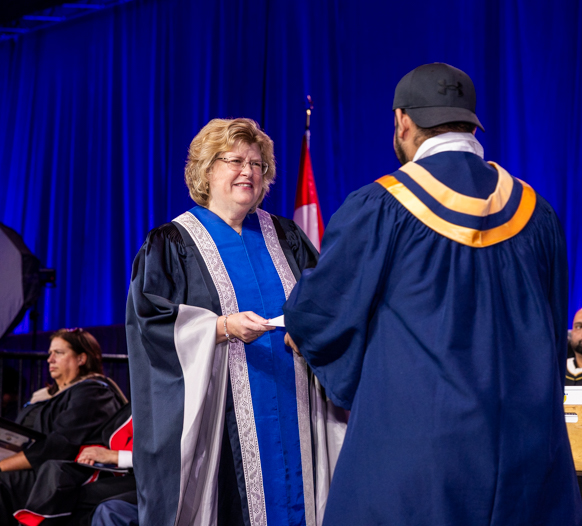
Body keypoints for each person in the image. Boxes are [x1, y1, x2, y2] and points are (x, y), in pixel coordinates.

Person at [283, 63, 582, 525]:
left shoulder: (381, 205)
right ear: (471, 124)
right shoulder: (536, 212)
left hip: (419, 453)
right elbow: (553, 327)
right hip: (528, 450)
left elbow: (320, 313)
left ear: (402, 121)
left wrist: (303, 332)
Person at [127, 118, 339, 526]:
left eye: (257, 164)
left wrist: (309, 330)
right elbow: (149, 323)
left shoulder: (286, 236)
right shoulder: (173, 243)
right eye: (235, 161)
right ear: (207, 170)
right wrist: (222, 328)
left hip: (296, 403)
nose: (248, 172)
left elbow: (325, 299)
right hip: (222, 421)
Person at [0, 328, 126, 523]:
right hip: (28, 464)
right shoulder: (42, 396)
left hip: (56, 475)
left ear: (81, 358)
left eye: (58, 353)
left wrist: (2, 465)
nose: (50, 359)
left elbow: (60, 445)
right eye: (50, 353)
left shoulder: (94, 392)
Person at [13, 403, 135, 526]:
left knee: (73, 498)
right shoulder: (133, 407)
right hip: (111, 470)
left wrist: (115, 456)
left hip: (138, 480)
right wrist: (91, 454)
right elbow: (102, 439)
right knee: (55, 469)